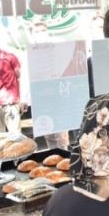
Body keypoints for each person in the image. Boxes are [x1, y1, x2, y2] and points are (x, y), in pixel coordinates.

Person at [29, 21, 68, 151]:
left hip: (59, 96)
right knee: (48, 133)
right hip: (42, 98)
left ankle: (65, 157)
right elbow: (27, 75)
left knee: (61, 135)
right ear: (32, 34)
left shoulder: (58, 45)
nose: (40, 34)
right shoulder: (30, 52)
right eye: (37, 32)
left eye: (43, 31)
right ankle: (53, 157)